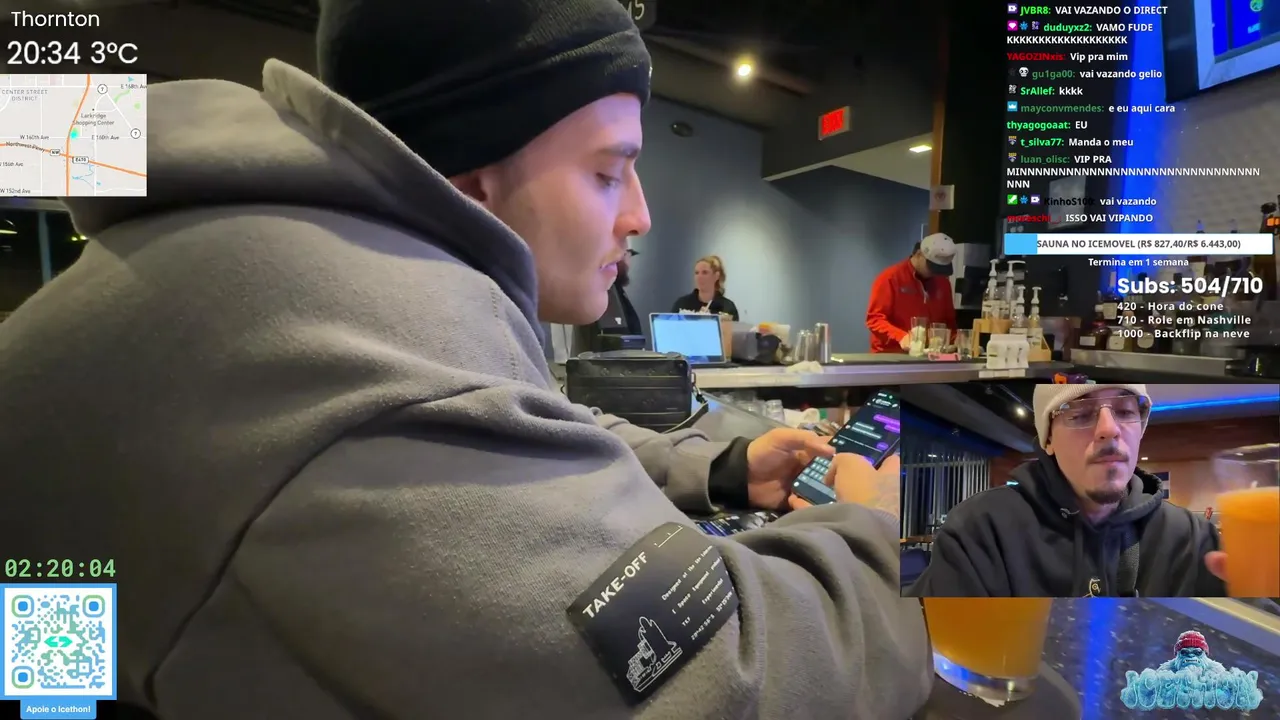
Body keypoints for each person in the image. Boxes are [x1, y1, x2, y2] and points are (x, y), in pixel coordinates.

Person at [0, 1, 933, 718]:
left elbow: (508, 415)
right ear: (473, 180)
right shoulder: (359, 342)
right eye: (608, 171)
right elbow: (739, 682)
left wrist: (723, 468)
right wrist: (866, 527)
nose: (640, 215)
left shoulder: (299, 264)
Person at [907, 384, 1230, 598]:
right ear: (1047, 440)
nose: (1109, 429)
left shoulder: (1192, 539)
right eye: (1080, 414)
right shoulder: (980, 531)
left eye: (1125, 411)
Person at [865, 233, 958, 353]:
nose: (935, 273)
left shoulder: (943, 283)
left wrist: (957, 339)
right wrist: (901, 337)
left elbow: (949, 323)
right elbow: (874, 319)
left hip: (928, 356)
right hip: (890, 355)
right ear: (919, 255)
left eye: (940, 269)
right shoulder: (890, 278)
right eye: (932, 267)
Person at [670, 255, 740, 320]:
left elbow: (732, 329)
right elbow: (670, 327)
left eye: (705, 272)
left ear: (716, 276)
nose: (699, 277)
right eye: (697, 273)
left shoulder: (727, 307)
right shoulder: (682, 304)